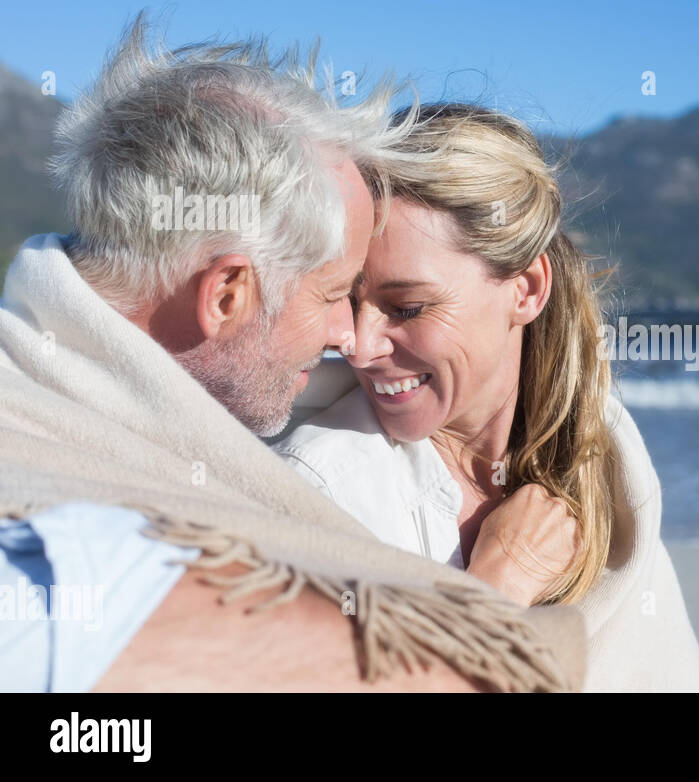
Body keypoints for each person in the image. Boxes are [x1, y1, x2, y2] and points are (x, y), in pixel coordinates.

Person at [0, 17, 584, 693]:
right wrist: (494, 597)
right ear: (227, 294)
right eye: (337, 294)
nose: (349, 339)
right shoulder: (68, 556)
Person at [274, 104, 699, 691]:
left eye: (407, 307)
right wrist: (497, 585)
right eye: (351, 301)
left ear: (526, 289)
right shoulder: (321, 490)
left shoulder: (608, 462)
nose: (359, 346)